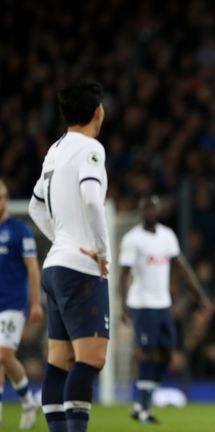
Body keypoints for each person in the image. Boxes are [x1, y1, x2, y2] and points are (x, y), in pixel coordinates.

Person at [28, 79, 110, 432]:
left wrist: (60, 237)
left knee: (59, 362)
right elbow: (92, 199)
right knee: (92, 358)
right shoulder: (91, 148)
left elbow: (34, 206)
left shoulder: (55, 149)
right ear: (98, 112)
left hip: (55, 266)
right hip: (80, 267)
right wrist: (102, 249)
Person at [119, 195, 211, 424]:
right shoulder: (133, 239)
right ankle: (143, 406)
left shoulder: (167, 236)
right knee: (147, 351)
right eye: (146, 207)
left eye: (153, 207)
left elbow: (181, 267)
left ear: (159, 211)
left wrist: (198, 295)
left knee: (167, 354)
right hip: (141, 303)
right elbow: (123, 275)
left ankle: (143, 402)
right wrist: (122, 304)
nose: (150, 211)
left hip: (162, 304)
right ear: (141, 211)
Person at [0, 179, 44, 429]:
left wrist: (35, 303)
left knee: (4, 356)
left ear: (5, 198)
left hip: (13, 303)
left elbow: (32, 268)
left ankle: (28, 401)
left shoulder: (19, 230)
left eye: (1, 197)